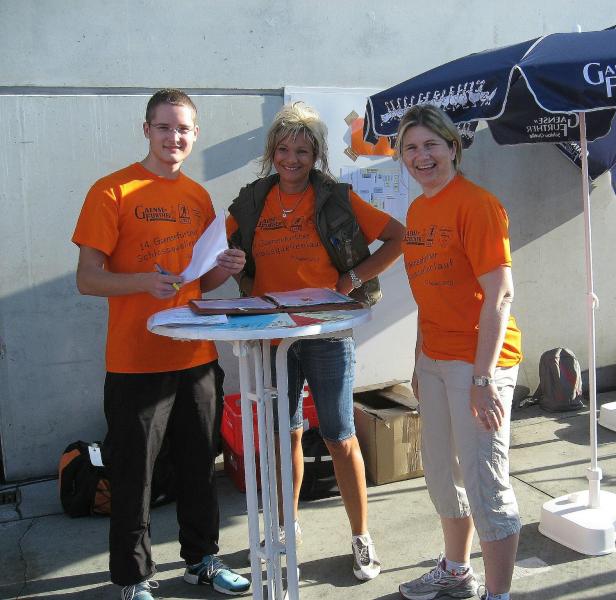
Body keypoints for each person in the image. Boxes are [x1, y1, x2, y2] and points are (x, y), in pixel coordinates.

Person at [72, 89, 251, 600]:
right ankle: (134, 578)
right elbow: (87, 278)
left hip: (196, 356)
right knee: (134, 475)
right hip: (135, 361)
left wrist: (225, 268)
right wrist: (142, 283)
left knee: (200, 467)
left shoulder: (197, 197)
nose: (174, 137)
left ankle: (202, 560)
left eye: (183, 129)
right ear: (146, 129)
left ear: (196, 135)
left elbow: (197, 283)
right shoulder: (112, 190)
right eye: (164, 127)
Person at [227, 101, 405, 581]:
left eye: (302, 151)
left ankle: (361, 536)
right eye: (284, 149)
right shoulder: (251, 202)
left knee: (339, 435)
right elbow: (220, 250)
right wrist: (235, 273)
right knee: (284, 435)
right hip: (272, 335)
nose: (292, 159)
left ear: (316, 155)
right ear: (272, 152)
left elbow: (398, 237)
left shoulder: (336, 198)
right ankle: (285, 526)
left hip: (326, 332)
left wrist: (351, 278)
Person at [395, 104, 523, 600]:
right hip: (434, 359)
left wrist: (483, 378)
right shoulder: (418, 211)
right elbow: (429, 294)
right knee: (443, 475)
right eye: (411, 148)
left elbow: (500, 294)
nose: (421, 156)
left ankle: (498, 594)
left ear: (453, 147)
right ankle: (456, 570)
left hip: (478, 363)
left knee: (485, 481)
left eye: (431, 144)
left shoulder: (478, 205)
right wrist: (418, 358)